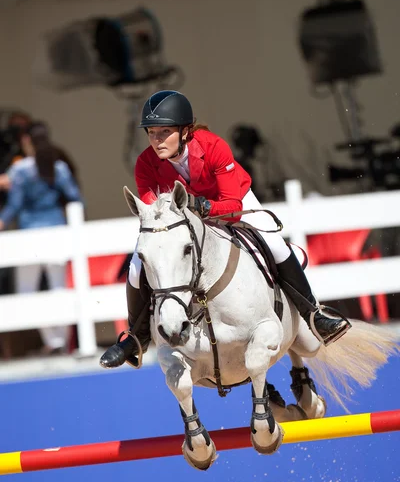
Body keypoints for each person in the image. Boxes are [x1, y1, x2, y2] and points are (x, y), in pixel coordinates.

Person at [100, 90, 350, 369]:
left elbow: (231, 201)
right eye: (152, 133)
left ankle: (313, 315)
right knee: (137, 266)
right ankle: (137, 337)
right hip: (186, 219)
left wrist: (202, 207)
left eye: (164, 132)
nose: (156, 140)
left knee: (275, 243)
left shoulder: (213, 147)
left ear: (184, 131)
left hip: (233, 204)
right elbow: (153, 213)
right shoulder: (145, 163)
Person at [0, 121, 82, 355]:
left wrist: (2, 221)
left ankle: (52, 341)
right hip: (58, 231)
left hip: (30, 236)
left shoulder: (21, 170)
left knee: (28, 290)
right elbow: (75, 197)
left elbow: (14, 205)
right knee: (59, 288)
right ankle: (61, 341)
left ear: (27, 141)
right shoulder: (59, 168)